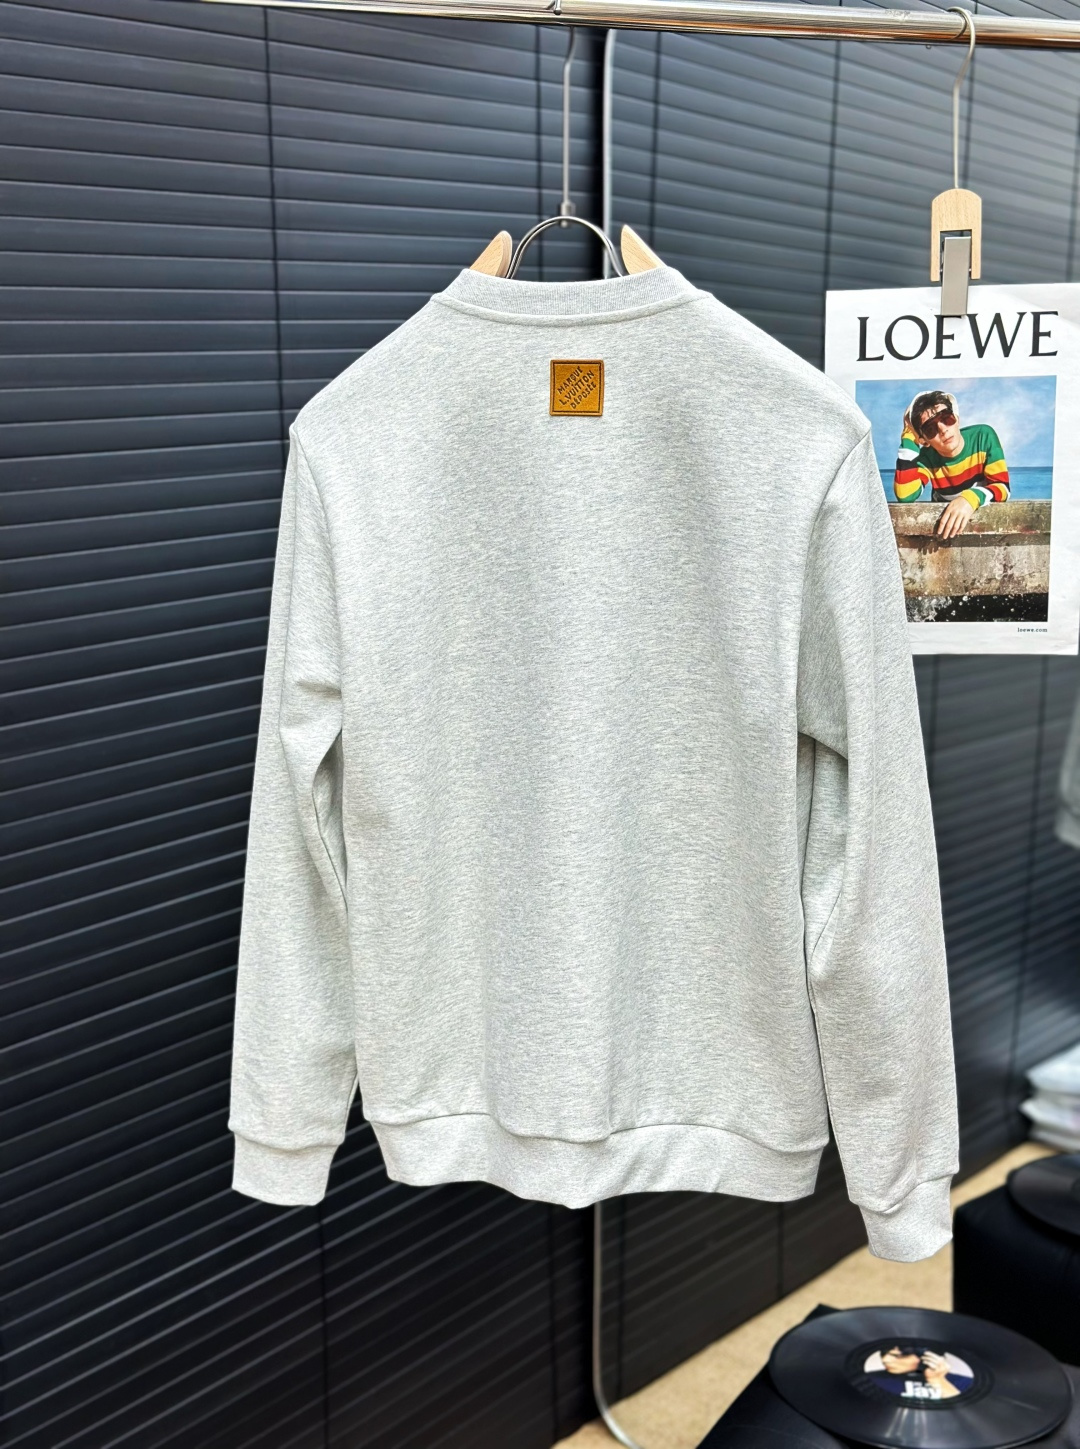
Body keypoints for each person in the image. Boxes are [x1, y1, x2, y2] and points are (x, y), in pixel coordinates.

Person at [894, 390, 1010, 539]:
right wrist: (909, 435)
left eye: (946, 418)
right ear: (924, 440)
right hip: (944, 535)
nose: (943, 429)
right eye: (930, 429)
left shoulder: (983, 436)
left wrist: (969, 498)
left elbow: (1003, 488)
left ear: (956, 418)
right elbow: (905, 495)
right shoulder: (926, 459)